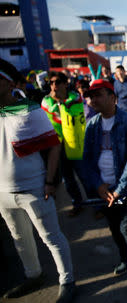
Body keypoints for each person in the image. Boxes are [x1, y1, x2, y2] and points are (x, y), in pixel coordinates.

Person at [0, 59, 76, 302]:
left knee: (50, 236)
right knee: (18, 238)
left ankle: (67, 280)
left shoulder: (30, 110)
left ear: (9, 82)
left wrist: (51, 181)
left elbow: (53, 147)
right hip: (2, 191)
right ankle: (33, 275)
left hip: (33, 187)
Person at [82, 79, 127, 275]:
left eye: (99, 94)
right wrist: (99, 186)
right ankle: (125, 260)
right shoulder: (92, 125)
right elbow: (88, 160)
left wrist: (118, 189)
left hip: (123, 189)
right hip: (104, 189)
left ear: (113, 98)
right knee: (114, 228)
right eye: (91, 96)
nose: (94, 99)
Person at [41, 71, 86, 217]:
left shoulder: (75, 98)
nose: (54, 86)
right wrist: (56, 104)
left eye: (57, 82)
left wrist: (61, 103)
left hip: (76, 144)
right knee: (68, 179)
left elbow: (72, 113)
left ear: (65, 84)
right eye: (51, 83)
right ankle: (77, 203)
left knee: (85, 175)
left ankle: (97, 205)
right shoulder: (47, 102)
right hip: (58, 147)